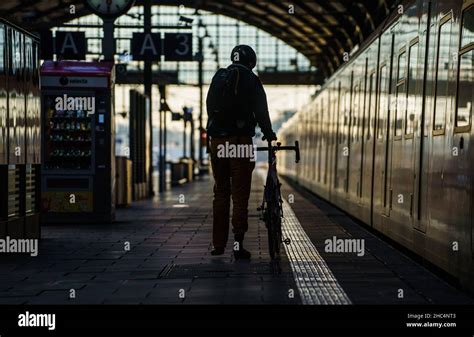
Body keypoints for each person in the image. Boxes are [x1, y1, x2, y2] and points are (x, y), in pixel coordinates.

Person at [206, 45, 277, 260]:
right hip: (241, 143)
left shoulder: (220, 77)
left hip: (218, 142)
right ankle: (238, 244)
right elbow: (261, 111)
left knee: (220, 192)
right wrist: (268, 133)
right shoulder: (252, 80)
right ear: (251, 62)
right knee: (240, 194)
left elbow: (210, 107)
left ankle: (218, 245)